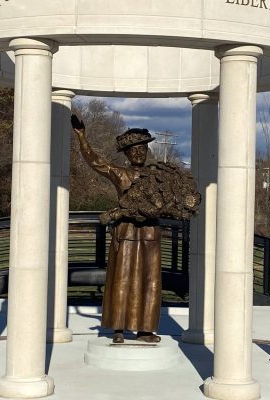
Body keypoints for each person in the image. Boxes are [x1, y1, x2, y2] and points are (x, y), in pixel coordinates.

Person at [71, 115, 162, 344]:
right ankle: (118, 327)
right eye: (134, 150)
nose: (139, 153)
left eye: (142, 148)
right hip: (126, 232)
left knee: (149, 282)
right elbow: (95, 161)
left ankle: (145, 329)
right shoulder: (120, 173)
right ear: (127, 154)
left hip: (150, 233)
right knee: (121, 279)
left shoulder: (158, 177)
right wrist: (82, 137)